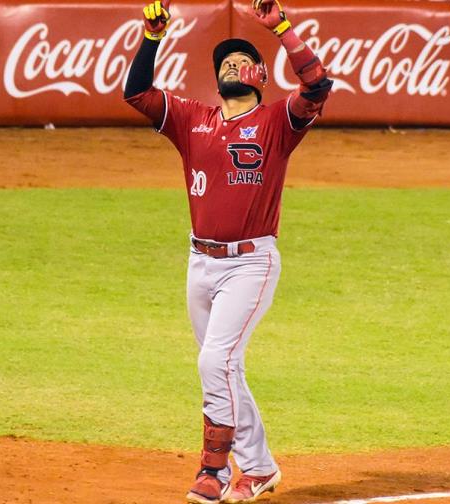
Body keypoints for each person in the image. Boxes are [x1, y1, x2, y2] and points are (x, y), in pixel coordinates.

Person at [123, 0, 332, 502]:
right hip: (199, 263)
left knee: (213, 361)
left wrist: (280, 26)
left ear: (259, 75)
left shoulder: (279, 122)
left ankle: (213, 471)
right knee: (224, 367)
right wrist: (152, 35)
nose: (232, 64)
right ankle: (259, 467)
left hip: (251, 262)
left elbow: (318, 86)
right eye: (224, 62)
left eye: (241, 59)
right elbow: (136, 92)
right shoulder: (191, 119)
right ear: (216, 80)